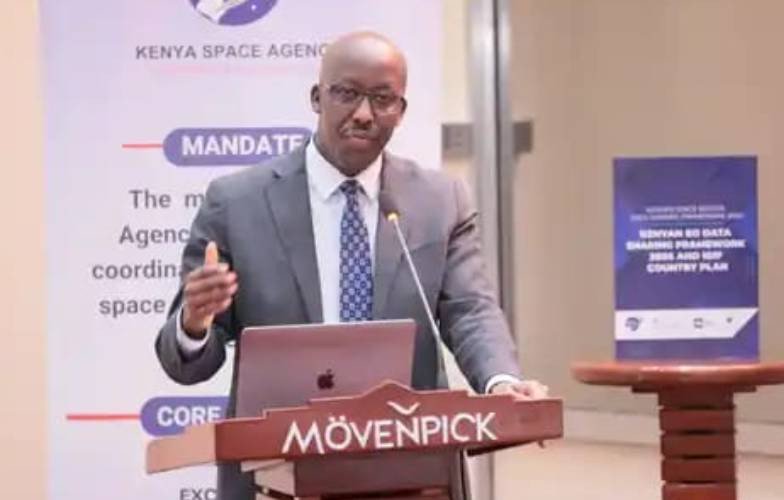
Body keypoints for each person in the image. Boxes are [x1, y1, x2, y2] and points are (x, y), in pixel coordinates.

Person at [155, 31, 548, 500]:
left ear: (401, 111)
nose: (364, 113)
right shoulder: (237, 203)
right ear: (317, 98)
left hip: (411, 472)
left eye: (382, 99)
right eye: (347, 93)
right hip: (275, 475)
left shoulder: (439, 201)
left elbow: (470, 310)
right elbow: (185, 365)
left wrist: (501, 382)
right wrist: (195, 323)